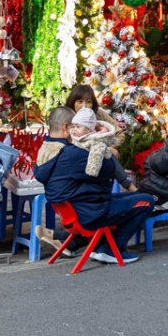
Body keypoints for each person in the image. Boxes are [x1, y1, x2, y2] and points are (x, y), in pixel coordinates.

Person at [34, 107, 155, 265]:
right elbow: (109, 169)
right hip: (90, 213)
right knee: (146, 201)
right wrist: (101, 146)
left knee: (131, 197)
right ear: (65, 127)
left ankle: (90, 244)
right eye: (74, 126)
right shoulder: (73, 154)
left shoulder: (47, 151)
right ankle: (110, 249)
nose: (76, 130)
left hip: (76, 211)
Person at [65, 84, 134, 190]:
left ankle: (127, 187)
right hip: (74, 159)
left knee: (105, 152)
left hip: (97, 155)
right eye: (80, 101)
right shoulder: (66, 117)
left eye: (88, 101)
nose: (85, 105)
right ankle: (129, 186)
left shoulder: (98, 114)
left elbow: (119, 134)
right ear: (72, 102)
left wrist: (112, 147)